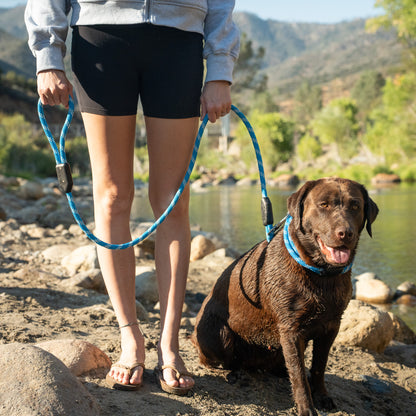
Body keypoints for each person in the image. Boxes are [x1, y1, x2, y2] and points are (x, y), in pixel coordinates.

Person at [25, 0, 239, 394]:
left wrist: (220, 69)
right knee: (111, 198)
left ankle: (170, 344)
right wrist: (48, 54)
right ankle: (130, 337)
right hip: (101, 36)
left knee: (173, 199)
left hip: (180, 40)